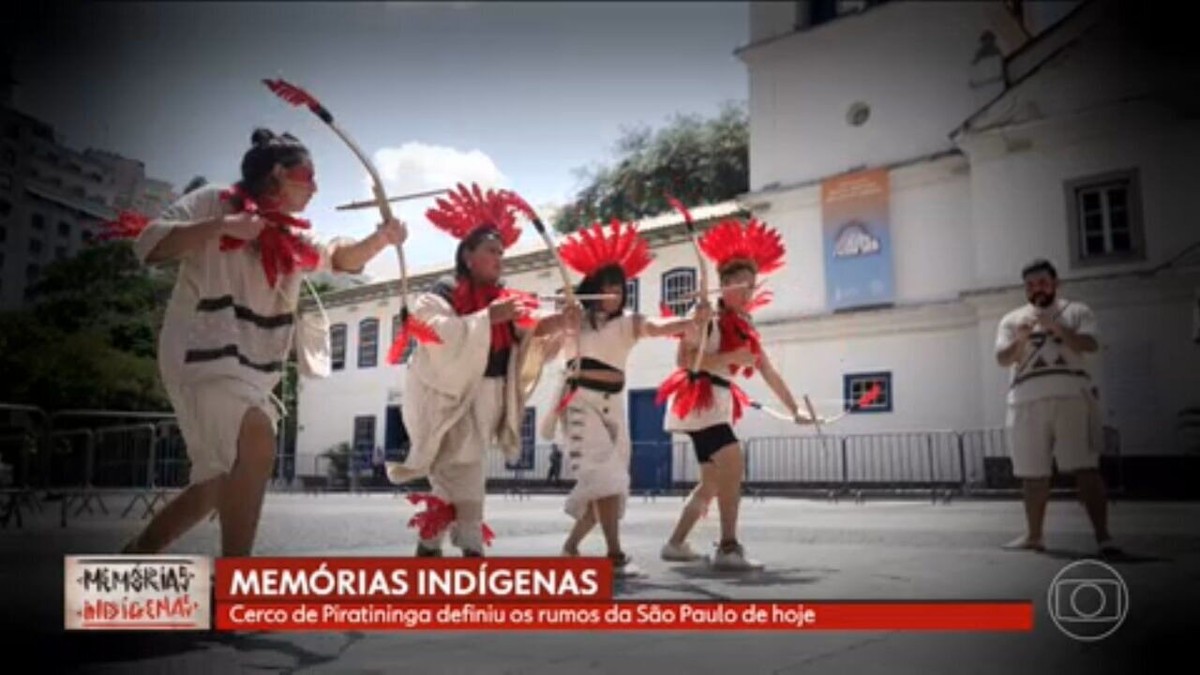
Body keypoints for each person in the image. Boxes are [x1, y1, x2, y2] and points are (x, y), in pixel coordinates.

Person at [121, 129, 406, 556]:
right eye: (308, 175)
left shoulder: (291, 236)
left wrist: (381, 239)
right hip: (202, 356)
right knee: (256, 440)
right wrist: (223, 225)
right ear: (278, 173)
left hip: (253, 370)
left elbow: (338, 257)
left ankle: (133, 558)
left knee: (219, 483)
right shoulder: (215, 201)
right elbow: (149, 245)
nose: (315, 187)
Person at [385, 183, 580, 557]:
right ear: (468, 255)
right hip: (449, 396)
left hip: (487, 396)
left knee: (466, 467)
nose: (499, 259)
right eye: (491, 251)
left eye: (501, 252)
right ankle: (465, 543)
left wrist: (562, 320)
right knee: (455, 468)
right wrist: (485, 319)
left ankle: (432, 543)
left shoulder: (506, 299)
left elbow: (532, 327)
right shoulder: (438, 294)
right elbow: (434, 334)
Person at [544, 220, 708, 575]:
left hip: (614, 407)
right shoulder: (575, 319)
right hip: (579, 404)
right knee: (605, 477)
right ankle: (614, 555)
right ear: (592, 288)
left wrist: (690, 321)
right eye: (607, 287)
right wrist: (562, 321)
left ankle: (571, 546)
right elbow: (542, 348)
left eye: (619, 288)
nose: (614, 294)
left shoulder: (629, 321)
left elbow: (658, 327)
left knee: (612, 483)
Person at [659, 217, 815, 570]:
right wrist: (725, 353)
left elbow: (768, 371)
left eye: (752, 287)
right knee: (733, 462)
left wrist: (795, 411)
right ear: (724, 286)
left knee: (712, 482)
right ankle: (728, 548)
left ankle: (675, 543)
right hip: (699, 401)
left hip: (715, 404)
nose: (748, 293)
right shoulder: (705, 316)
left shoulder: (745, 327)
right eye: (742, 286)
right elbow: (685, 360)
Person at [995, 258, 1119, 555]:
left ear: (1055, 283)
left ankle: (1104, 538)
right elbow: (1002, 359)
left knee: (1085, 467)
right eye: (1030, 285)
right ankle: (1034, 535)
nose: (1036, 289)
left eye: (1042, 282)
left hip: (1072, 396)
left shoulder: (1076, 311)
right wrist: (1021, 340)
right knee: (1032, 472)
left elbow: (1090, 345)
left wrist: (1058, 328)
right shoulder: (1012, 320)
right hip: (1026, 401)